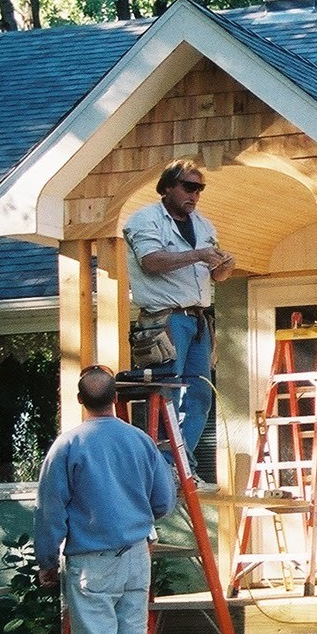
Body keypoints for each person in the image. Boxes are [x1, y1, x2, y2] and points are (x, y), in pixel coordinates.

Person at [35, 365, 176, 634]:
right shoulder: (141, 442)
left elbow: (50, 511)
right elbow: (164, 501)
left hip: (92, 561)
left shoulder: (68, 445)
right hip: (135, 554)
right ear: (116, 398)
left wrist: (47, 560)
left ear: (81, 400)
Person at [122, 159, 234, 465]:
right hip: (164, 320)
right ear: (167, 187)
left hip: (198, 319)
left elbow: (215, 275)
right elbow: (151, 262)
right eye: (188, 187)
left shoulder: (204, 225)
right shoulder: (144, 220)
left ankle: (176, 462)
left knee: (200, 396)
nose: (194, 195)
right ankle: (157, 464)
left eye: (199, 189)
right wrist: (198, 254)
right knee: (164, 396)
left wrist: (225, 266)